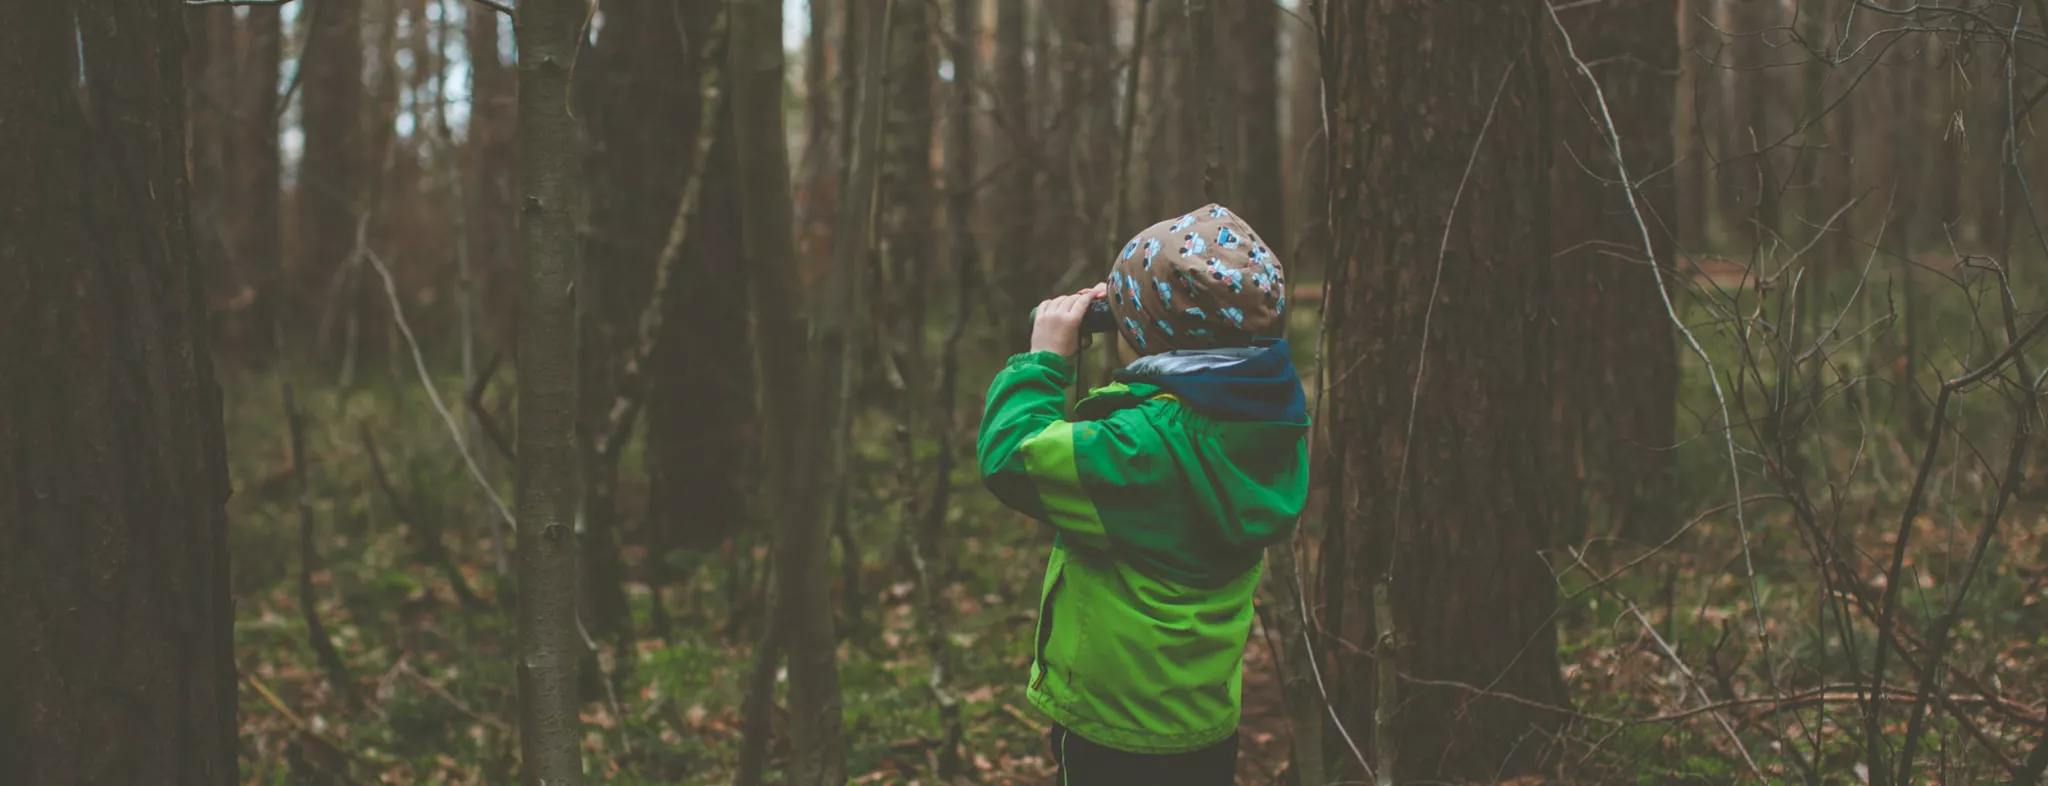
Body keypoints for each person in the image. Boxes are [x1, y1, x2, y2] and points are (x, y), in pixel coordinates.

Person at [976, 204, 1309, 784]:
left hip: (1116, 731)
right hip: (1205, 720)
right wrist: (1146, 306)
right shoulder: (1270, 426)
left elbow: (1010, 453)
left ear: (1146, 337)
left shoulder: (1139, 448)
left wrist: (1043, 360)